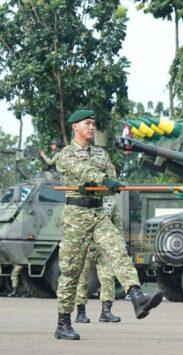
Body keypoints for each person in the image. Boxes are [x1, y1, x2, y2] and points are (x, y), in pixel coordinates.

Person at [53, 109, 163, 340]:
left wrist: (108, 184)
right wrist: (102, 181)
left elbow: (111, 177)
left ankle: (137, 298)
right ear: (75, 127)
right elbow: (82, 171)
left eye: (94, 123)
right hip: (76, 216)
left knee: (118, 252)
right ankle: (63, 322)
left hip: (98, 212)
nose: (92, 127)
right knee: (71, 272)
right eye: (87, 123)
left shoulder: (102, 155)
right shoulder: (66, 154)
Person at [73, 196, 122, 324]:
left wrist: (118, 244)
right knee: (83, 280)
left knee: (108, 278)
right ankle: (80, 313)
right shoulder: (81, 198)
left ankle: (106, 312)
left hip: (104, 247)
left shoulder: (111, 202)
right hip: (86, 246)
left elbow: (117, 224)